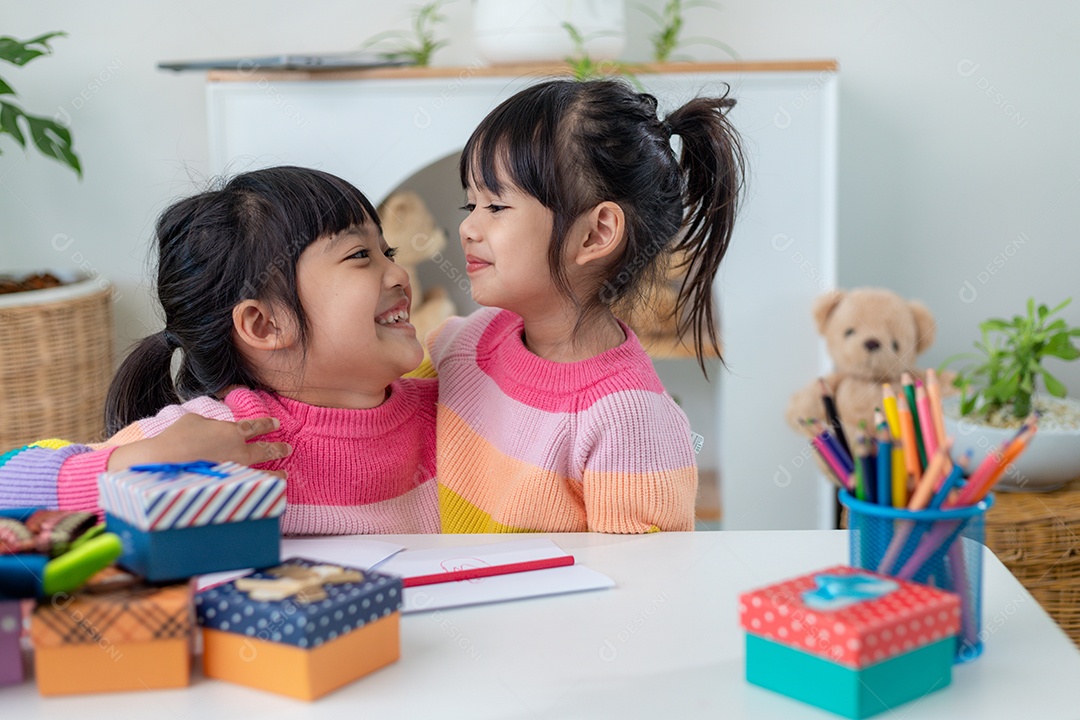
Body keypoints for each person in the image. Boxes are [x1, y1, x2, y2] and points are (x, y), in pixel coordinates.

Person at [0, 167, 439, 535]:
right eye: (361, 254)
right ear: (265, 324)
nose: (399, 272)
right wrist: (143, 461)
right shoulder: (217, 439)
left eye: (389, 251)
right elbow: (8, 487)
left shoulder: (454, 406)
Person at [429, 78, 745, 534]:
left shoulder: (631, 421)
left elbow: (642, 590)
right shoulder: (463, 344)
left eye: (495, 206)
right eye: (470, 204)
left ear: (596, 234)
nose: (468, 229)